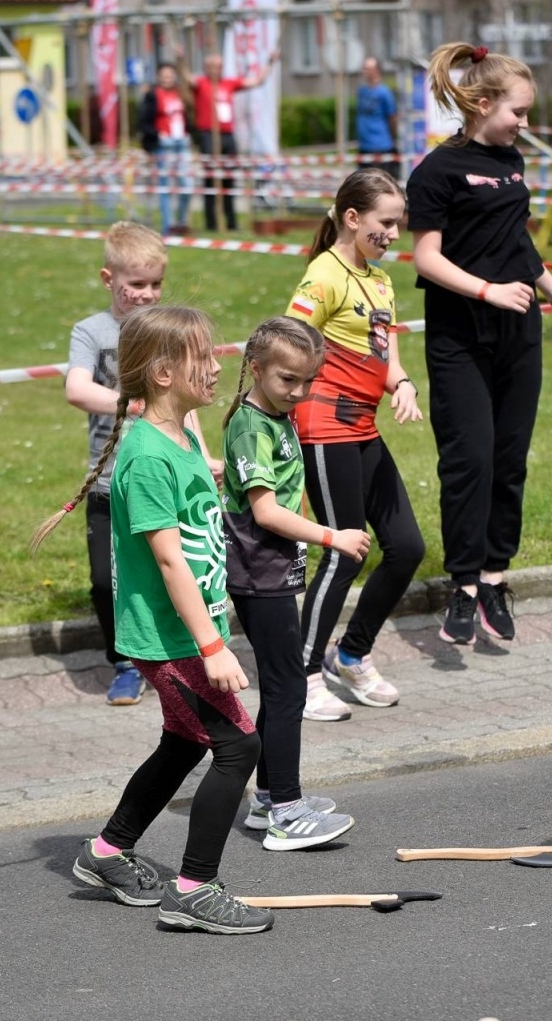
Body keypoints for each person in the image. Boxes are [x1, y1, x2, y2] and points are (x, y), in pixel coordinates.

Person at [37, 305, 272, 935]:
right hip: (168, 635)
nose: (218, 364)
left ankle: (107, 852)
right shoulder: (144, 456)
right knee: (238, 744)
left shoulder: (184, 434)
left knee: (186, 738)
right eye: (204, 356)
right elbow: (169, 561)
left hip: (186, 628)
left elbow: (190, 498)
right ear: (165, 372)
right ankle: (194, 889)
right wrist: (213, 644)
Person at [407, 42, 552, 648]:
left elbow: (515, 241)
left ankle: (494, 579)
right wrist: (487, 292)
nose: (525, 124)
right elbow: (427, 259)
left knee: (510, 461)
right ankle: (461, 588)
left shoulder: (512, 162)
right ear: (482, 103)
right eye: (518, 112)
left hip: (519, 332)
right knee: (471, 461)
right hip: (461, 338)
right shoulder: (436, 171)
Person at [65, 221, 223, 706]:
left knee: (174, 563)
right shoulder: (91, 331)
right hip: (112, 477)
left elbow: (185, 406)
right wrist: (131, 403)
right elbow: (75, 388)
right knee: (104, 578)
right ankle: (124, 663)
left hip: (168, 474)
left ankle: (178, 650)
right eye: (136, 284)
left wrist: (202, 456)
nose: (147, 294)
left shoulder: (164, 331)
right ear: (107, 279)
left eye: (155, 284)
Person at [221, 317, 364, 850]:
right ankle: (286, 809)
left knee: (284, 684)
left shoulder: (272, 416)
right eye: (288, 380)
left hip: (275, 568)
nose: (300, 392)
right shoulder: (253, 424)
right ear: (255, 369)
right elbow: (265, 512)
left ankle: (266, 798)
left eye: (309, 381)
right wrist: (334, 536)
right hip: (261, 570)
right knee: (288, 688)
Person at [288, 167, 425, 719]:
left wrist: (404, 383)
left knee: (407, 547)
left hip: (364, 427)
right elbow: (288, 343)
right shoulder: (323, 274)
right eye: (385, 223)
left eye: (399, 224)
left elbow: (384, 351)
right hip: (325, 427)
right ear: (352, 218)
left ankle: (352, 653)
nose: (395, 233)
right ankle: (300, 673)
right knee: (344, 551)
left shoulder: (378, 278)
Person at [176, 44, 281, 232]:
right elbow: (187, 78)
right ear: (207, 68)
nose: (216, 70)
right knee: (210, 179)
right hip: (208, 134)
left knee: (229, 178)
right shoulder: (202, 84)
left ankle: (231, 222)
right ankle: (212, 223)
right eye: (212, 66)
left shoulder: (229, 84)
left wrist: (270, 63)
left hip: (227, 135)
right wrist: (181, 61)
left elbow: (257, 81)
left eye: (219, 66)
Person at [137, 63, 193, 235]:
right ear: (158, 77)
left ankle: (181, 221)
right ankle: (167, 226)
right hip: (164, 144)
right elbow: (142, 121)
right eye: (164, 75)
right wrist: (156, 134)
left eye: (170, 75)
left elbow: (190, 114)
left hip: (181, 142)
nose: (167, 78)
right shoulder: (152, 95)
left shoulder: (181, 93)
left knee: (187, 186)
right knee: (166, 187)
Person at [355, 57, 401, 180]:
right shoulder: (362, 91)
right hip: (364, 145)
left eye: (369, 68)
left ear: (377, 71)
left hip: (381, 145)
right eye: (364, 68)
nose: (365, 71)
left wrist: (392, 136)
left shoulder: (384, 93)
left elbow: (392, 116)